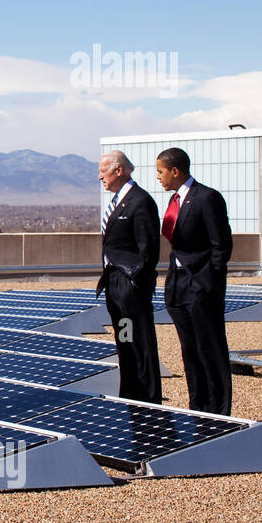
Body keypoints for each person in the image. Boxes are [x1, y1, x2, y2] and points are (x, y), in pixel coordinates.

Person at [156, 147, 233, 415]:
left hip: (201, 287)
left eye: (160, 172)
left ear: (175, 171)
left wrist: (206, 283)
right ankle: (198, 407)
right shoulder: (174, 200)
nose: (158, 177)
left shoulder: (207, 198)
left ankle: (219, 412)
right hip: (178, 287)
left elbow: (221, 246)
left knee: (209, 348)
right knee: (189, 350)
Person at [96, 150, 162, 403]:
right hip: (115, 286)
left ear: (119, 170)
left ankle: (147, 398)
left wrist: (135, 282)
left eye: (104, 171)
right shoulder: (119, 202)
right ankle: (131, 394)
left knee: (139, 342)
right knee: (125, 340)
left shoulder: (140, 201)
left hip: (130, 286)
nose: (100, 177)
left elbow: (148, 248)